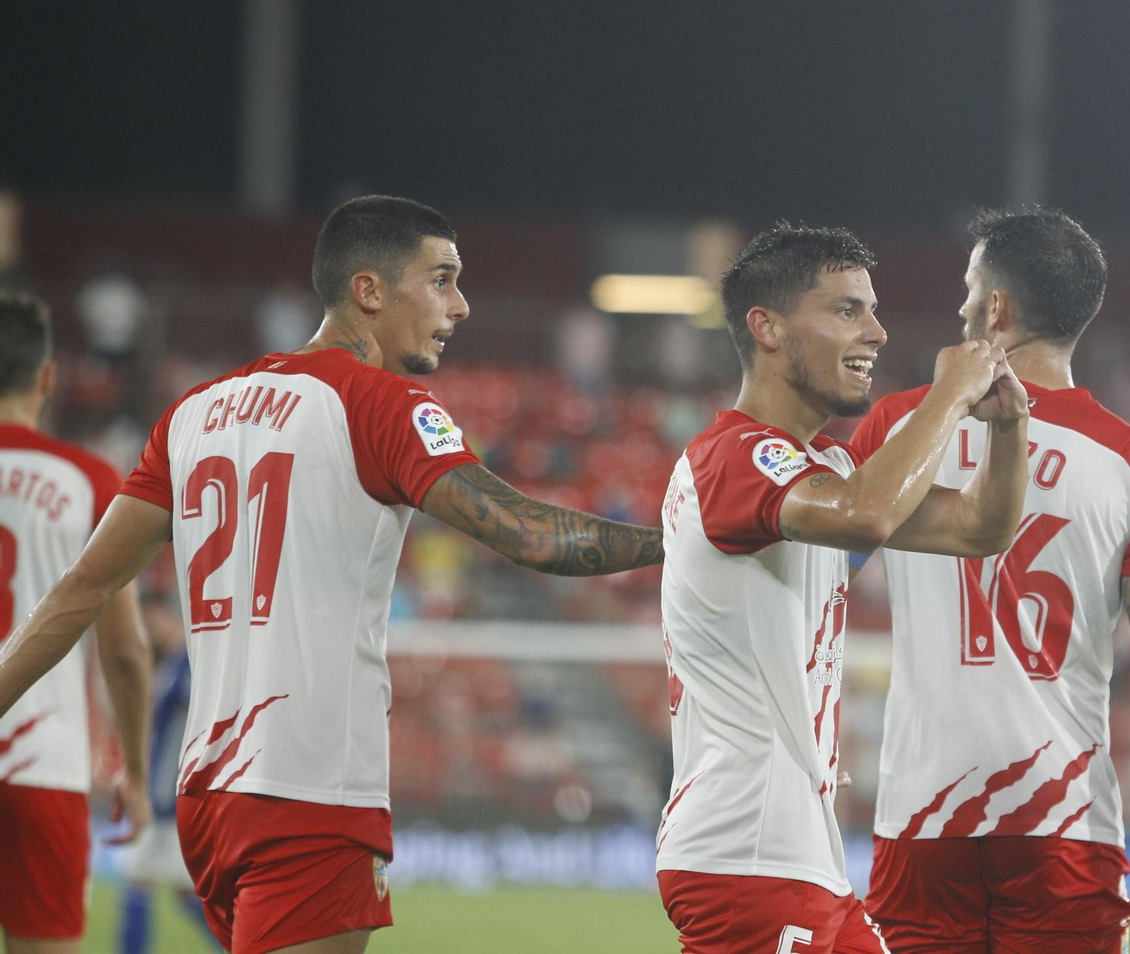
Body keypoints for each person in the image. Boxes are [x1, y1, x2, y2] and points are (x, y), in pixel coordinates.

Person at [0, 196, 665, 954]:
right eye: (442, 280)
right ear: (370, 290)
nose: (461, 305)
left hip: (207, 797)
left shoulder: (194, 411)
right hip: (308, 793)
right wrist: (680, 538)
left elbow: (82, 587)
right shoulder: (377, 403)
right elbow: (531, 535)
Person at [850, 207, 1130, 954]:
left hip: (922, 815)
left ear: (997, 307)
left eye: (970, 289)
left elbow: (812, 588)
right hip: (1064, 822)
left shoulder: (895, 430)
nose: (962, 306)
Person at [656, 224, 1031, 954]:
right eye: (847, 310)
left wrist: (1009, 424)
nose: (878, 331)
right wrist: (951, 394)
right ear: (766, 327)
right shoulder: (734, 456)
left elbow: (981, 528)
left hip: (796, 854)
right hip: (749, 851)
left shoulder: (813, 465)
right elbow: (868, 515)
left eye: (874, 309)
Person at [0, 293, 153, 954]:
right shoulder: (89, 479)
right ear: (46, 376)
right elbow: (125, 653)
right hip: (45, 760)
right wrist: (137, 772)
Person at [119, 593, 217, 953]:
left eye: (152, 619)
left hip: (172, 796)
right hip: (164, 793)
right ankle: (237, 944)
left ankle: (238, 944)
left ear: (166, 616)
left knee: (141, 881)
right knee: (166, 886)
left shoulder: (192, 663)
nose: (148, 628)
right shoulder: (174, 663)